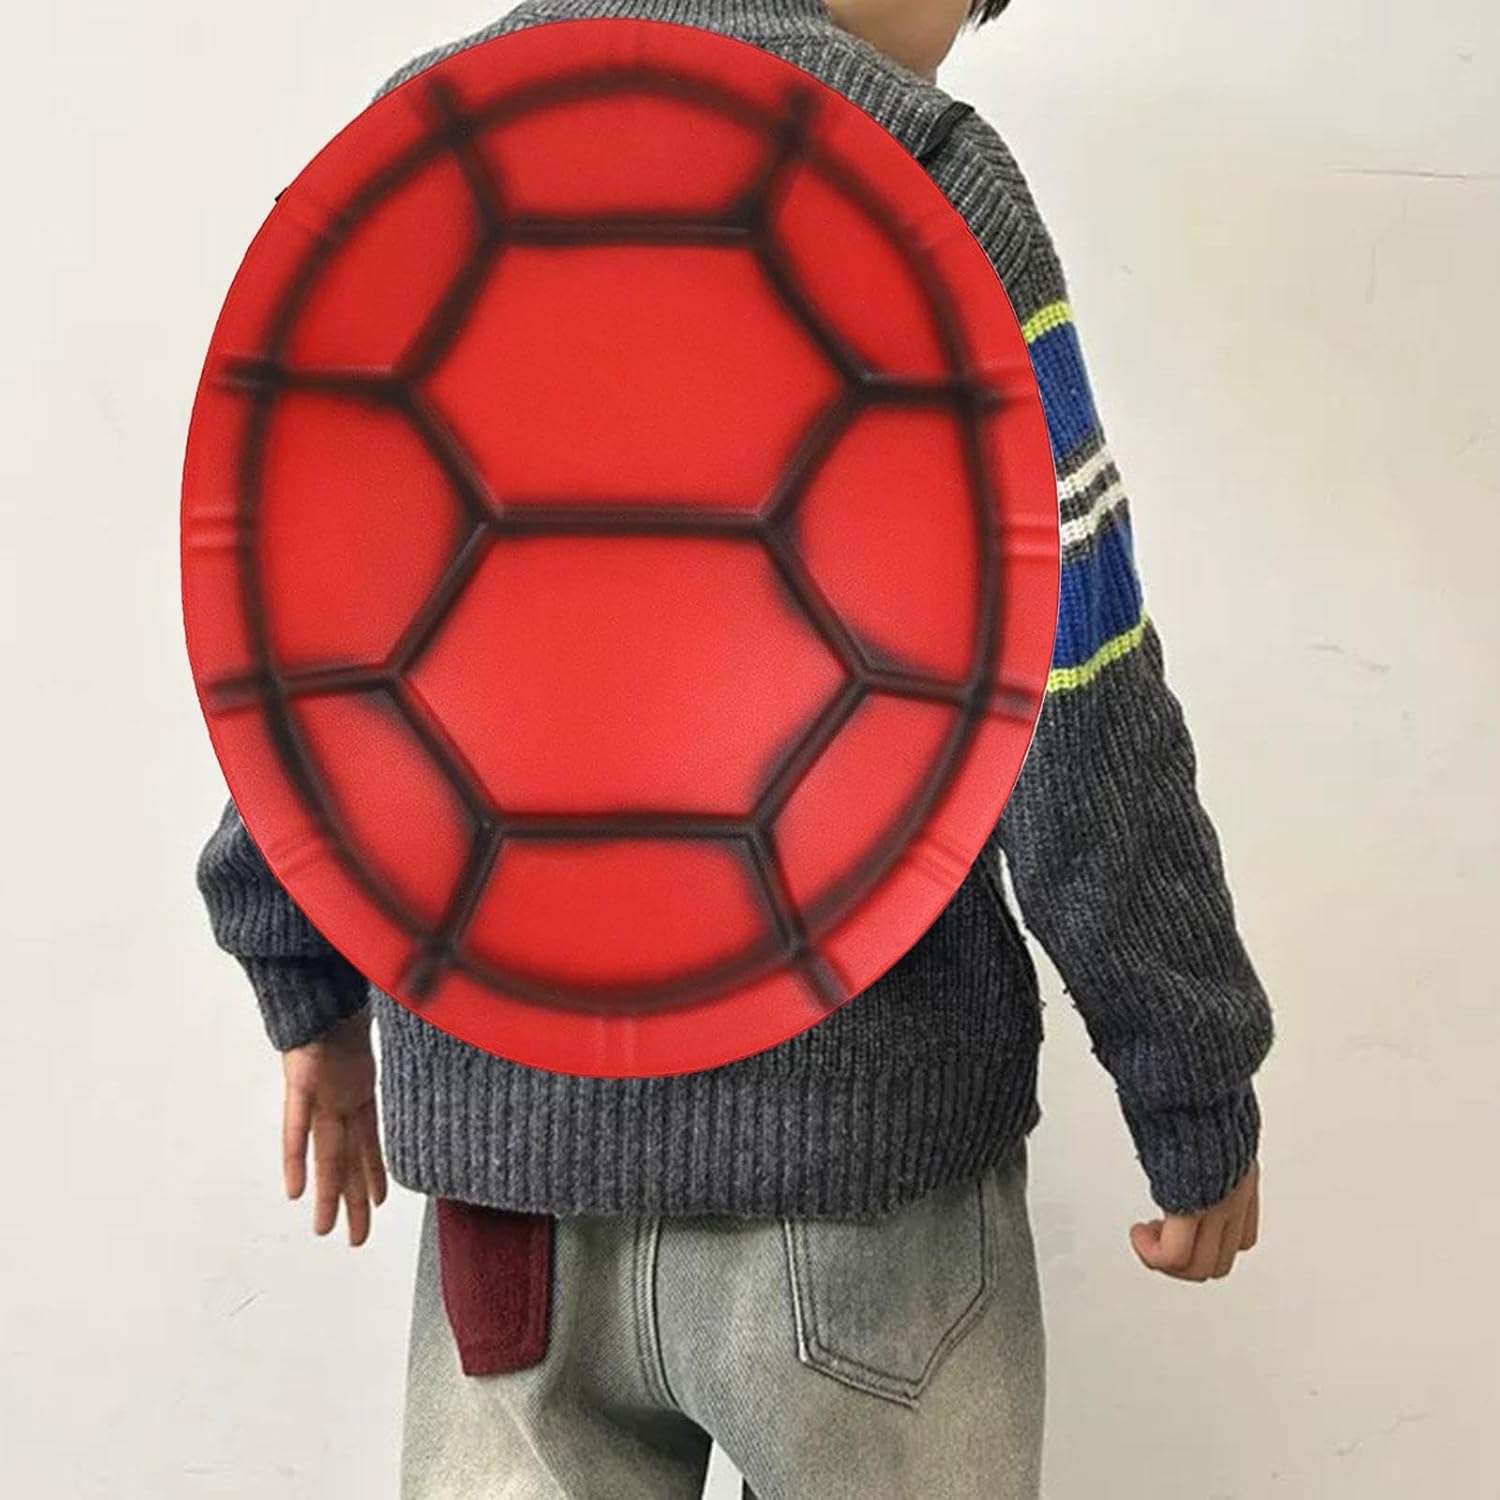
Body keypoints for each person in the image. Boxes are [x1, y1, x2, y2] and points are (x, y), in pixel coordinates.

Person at [194, 1, 1276, 1495]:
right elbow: (1077, 682)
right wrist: (1191, 1076)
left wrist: (300, 975)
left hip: (515, 1205)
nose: (958, 37)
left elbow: (310, 631)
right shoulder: (924, 171)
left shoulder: (441, 122)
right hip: (863, 1192)